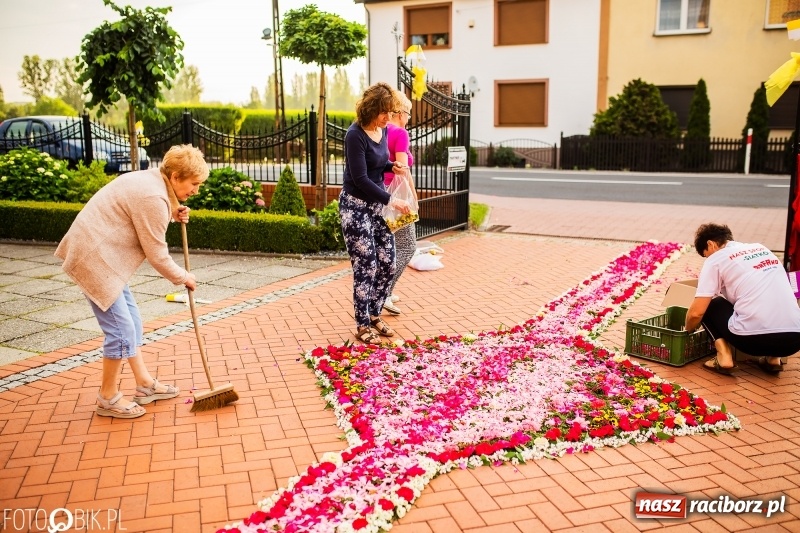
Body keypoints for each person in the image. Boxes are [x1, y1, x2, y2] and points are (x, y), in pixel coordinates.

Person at [55, 144, 209, 418]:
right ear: (175, 177)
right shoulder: (153, 197)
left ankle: (145, 385)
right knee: (121, 331)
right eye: (194, 183)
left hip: (104, 255)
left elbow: (140, 212)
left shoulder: (155, 183)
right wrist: (183, 277)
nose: (196, 190)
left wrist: (173, 212)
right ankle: (108, 397)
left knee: (132, 322)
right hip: (95, 257)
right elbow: (157, 254)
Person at [339, 82, 410, 344]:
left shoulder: (383, 131)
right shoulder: (354, 135)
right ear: (372, 109)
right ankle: (361, 322)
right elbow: (360, 178)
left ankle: (374, 314)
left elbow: (377, 164)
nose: (388, 117)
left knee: (388, 262)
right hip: (356, 206)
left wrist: (393, 165)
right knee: (366, 264)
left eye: (391, 112)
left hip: (377, 207)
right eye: (384, 112)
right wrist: (391, 200)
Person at [685, 223, 800, 375]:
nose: (707, 258)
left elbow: (696, 313)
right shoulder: (762, 248)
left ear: (710, 244)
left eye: (706, 254)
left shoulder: (715, 259)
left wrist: (688, 329)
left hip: (752, 342)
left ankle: (724, 357)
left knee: (712, 304)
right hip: (794, 341)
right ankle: (773, 359)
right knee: (771, 296)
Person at [382, 91, 417, 316]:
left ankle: (384, 290)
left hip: (379, 192)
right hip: (397, 196)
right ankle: (384, 292)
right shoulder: (400, 133)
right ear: (400, 113)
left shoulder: (380, 131)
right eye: (408, 114)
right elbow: (402, 171)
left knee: (389, 246)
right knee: (407, 245)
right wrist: (413, 197)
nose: (408, 119)